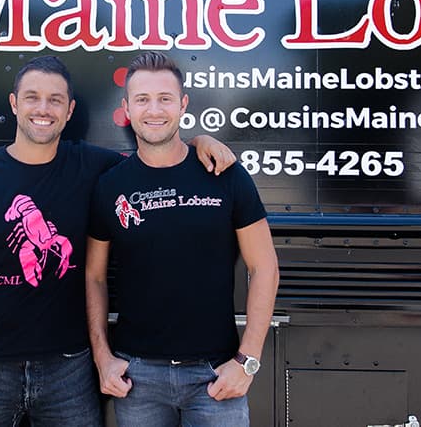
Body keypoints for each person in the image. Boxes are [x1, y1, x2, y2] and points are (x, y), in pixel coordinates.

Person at [0, 55, 235, 427]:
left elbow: (156, 154)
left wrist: (199, 141)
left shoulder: (94, 166)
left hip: (69, 372)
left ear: (70, 110)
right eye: (32, 97)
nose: (43, 109)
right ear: (14, 104)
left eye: (55, 100)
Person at [86, 51, 280, 427]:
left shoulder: (224, 174)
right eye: (142, 99)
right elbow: (93, 276)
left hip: (215, 376)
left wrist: (247, 361)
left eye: (165, 98)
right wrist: (102, 357)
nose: (154, 110)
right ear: (126, 108)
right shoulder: (110, 186)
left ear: (183, 104)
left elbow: (265, 267)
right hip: (137, 380)